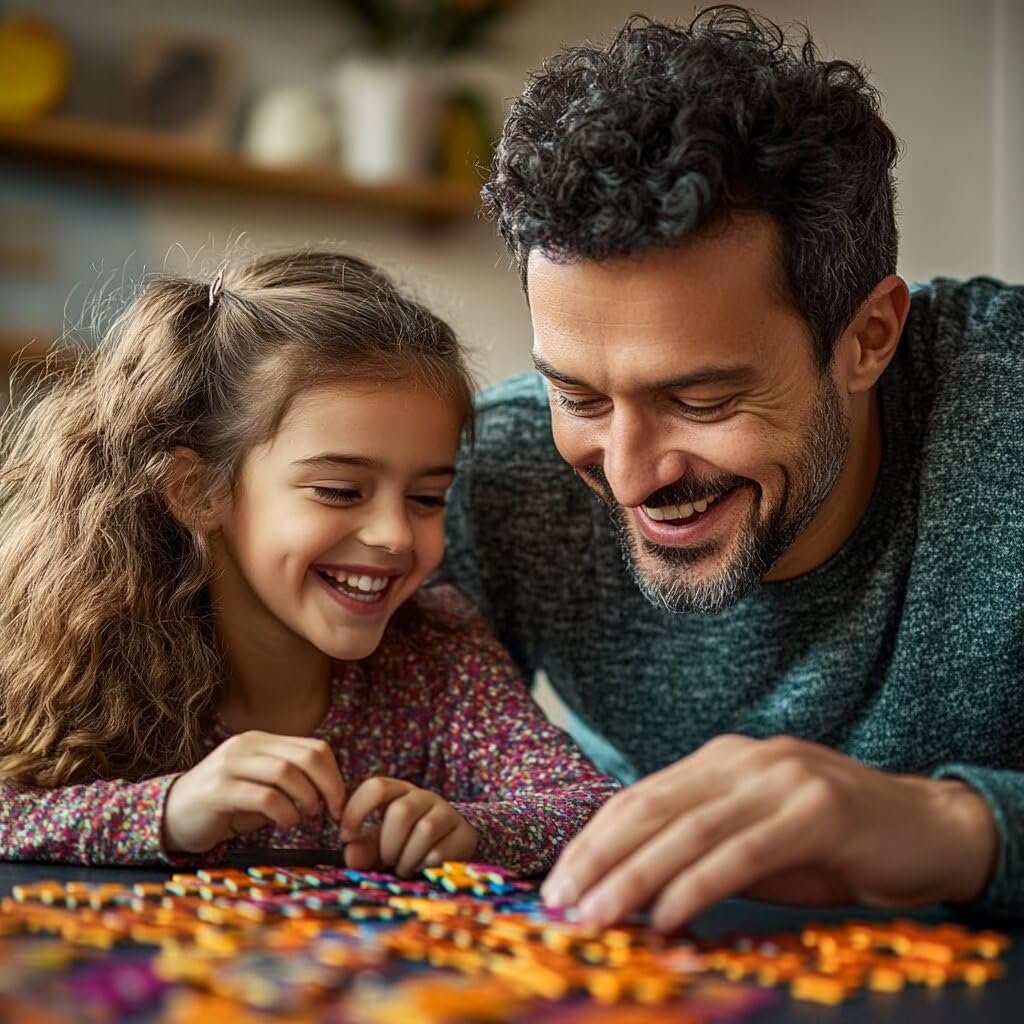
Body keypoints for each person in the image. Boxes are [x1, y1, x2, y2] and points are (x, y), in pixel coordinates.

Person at [443, 5, 1024, 931]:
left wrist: (954, 826)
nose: (629, 476)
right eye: (581, 398)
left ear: (869, 337)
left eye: (701, 401)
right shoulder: (499, 469)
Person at [0, 249, 618, 873]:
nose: (394, 536)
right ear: (198, 491)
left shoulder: (441, 655)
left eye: (428, 498)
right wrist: (167, 812)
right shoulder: (85, 648)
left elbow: (597, 811)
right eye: (340, 491)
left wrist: (473, 830)